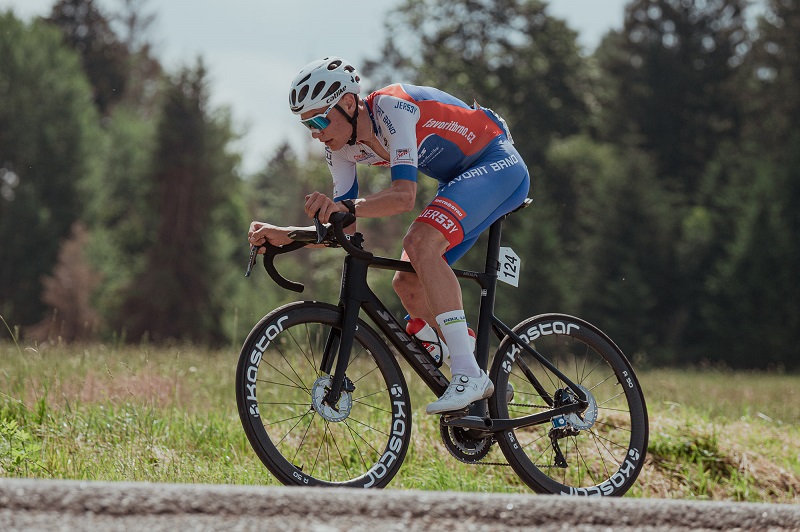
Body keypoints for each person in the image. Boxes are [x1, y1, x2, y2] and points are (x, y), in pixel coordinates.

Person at [248, 57, 530, 414]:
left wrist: (343, 207)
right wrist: (289, 234)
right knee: (407, 283)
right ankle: (476, 371)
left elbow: (403, 197)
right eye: (308, 125)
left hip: (496, 163)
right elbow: (344, 227)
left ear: (348, 103)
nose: (316, 133)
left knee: (419, 242)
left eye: (319, 120)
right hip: (457, 180)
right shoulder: (340, 149)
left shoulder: (392, 108)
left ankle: (467, 373)